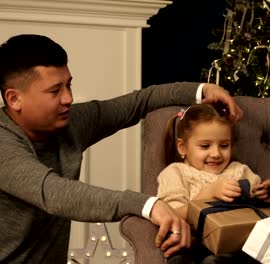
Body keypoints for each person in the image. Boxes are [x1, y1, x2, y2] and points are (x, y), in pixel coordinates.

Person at [0, 34, 243, 263]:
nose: (68, 98)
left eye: (68, 85)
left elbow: (139, 102)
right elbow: (54, 193)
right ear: (14, 99)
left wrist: (201, 91)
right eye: (55, 91)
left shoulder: (71, 122)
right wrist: (150, 204)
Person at [156, 103, 270, 263]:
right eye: (205, 146)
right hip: (194, 245)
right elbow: (172, 215)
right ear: (182, 147)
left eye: (224, 146)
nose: (216, 153)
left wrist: (265, 194)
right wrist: (208, 194)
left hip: (236, 246)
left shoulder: (238, 170)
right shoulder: (176, 172)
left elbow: (260, 209)